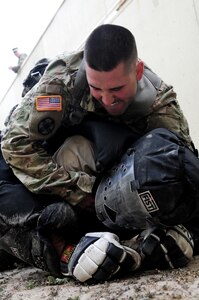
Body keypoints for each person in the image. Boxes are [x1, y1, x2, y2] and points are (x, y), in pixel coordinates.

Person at [0, 24, 198, 281]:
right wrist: (80, 193)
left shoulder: (159, 104)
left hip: (119, 187)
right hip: (58, 187)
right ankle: (66, 253)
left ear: (137, 71)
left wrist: (186, 230)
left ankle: (153, 240)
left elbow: (186, 170)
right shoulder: (59, 86)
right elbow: (15, 145)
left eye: (116, 90)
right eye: (96, 88)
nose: (106, 99)